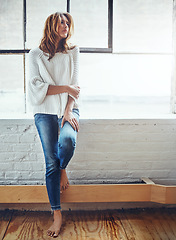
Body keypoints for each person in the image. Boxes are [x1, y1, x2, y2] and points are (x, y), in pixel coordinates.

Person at [28, 12, 80, 238]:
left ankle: (62, 168)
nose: (65, 25)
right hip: (44, 112)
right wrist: (66, 88)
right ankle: (57, 214)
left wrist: (67, 111)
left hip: (68, 109)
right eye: (61, 22)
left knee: (67, 142)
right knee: (51, 161)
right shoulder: (35, 55)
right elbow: (36, 89)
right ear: (51, 25)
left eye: (67, 22)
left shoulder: (73, 52)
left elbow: (75, 87)